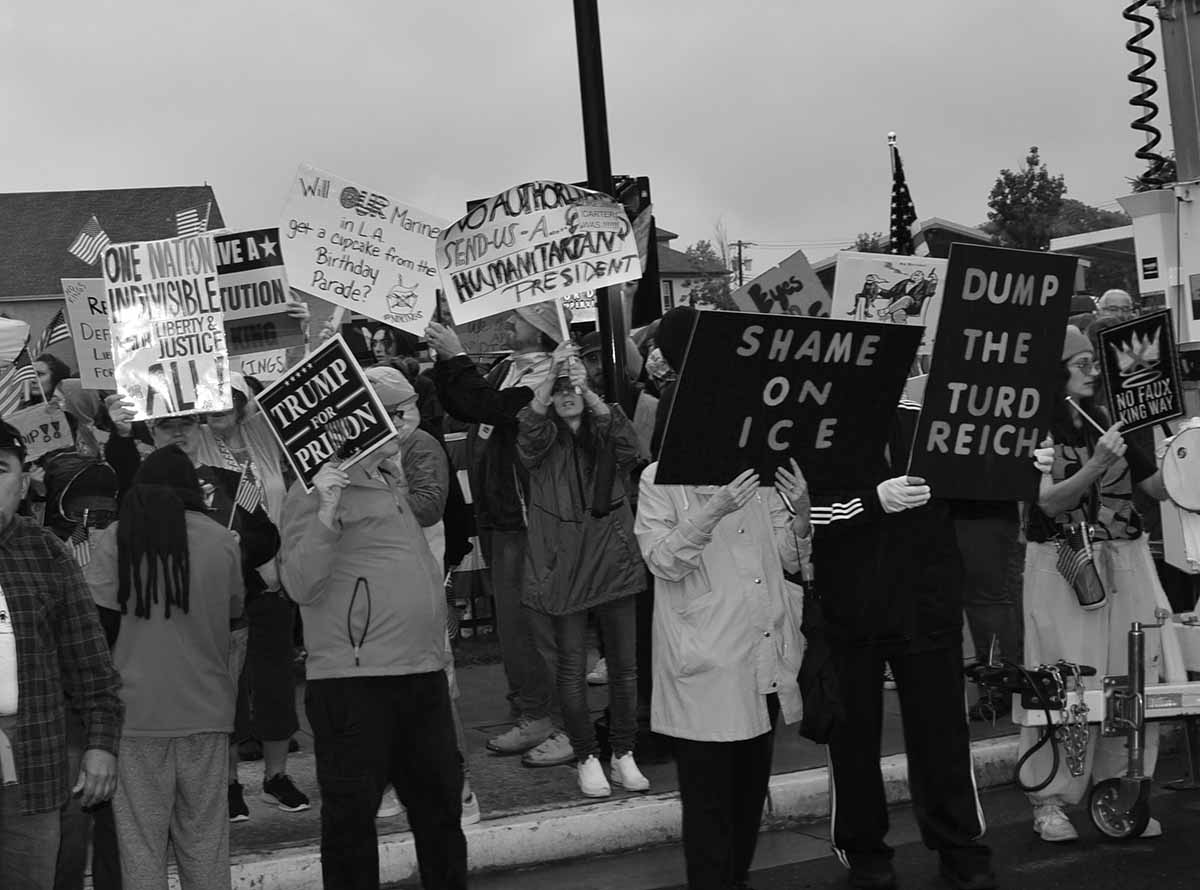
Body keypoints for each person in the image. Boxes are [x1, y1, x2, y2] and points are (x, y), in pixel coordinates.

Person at [280, 369, 467, 889]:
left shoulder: (390, 481)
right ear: (359, 425)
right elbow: (298, 583)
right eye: (389, 416)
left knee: (440, 813)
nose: (401, 426)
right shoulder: (315, 488)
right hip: (355, 683)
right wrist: (326, 509)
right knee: (350, 824)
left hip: (420, 674)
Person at [808, 400, 994, 890]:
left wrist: (1019, 468)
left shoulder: (931, 417)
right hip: (851, 603)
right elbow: (799, 513)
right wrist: (871, 501)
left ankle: (960, 845)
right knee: (853, 737)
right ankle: (864, 847)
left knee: (944, 735)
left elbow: (979, 490)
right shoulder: (817, 422)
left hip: (926, 601)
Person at [1019, 325, 1183, 843]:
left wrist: (1182, 448)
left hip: (1125, 558)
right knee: (1063, 681)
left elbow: (1151, 488)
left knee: (1129, 677)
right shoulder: (1032, 428)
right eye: (1081, 362)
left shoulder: (1108, 419)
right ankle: (1049, 799)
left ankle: (1123, 789)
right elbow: (1048, 503)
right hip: (1062, 563)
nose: (1093, 371)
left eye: (1095, 361)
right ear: (1055, 369)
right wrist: (1096, 463)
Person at [634, 458, 809, 890]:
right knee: (709, 810)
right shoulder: (658, 478)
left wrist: (802, 513)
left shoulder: (757, 473)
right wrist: (714, 509)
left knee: (749, 800)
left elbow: (790, 556)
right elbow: (662, 560)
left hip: (762, 654)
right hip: (705, 668)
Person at [84, 447, 244, 890]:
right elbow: (234, 614)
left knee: (141, 849)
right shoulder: (219, 539)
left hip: (134, 718)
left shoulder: (113, 540)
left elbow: (99, 630)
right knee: (207, 843)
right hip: (207, 714)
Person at [426, 304, 576, 767]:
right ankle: (532, 709)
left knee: (537, 626)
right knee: (513, 625)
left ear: (544, 330)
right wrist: (444, 358)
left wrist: (456, 357)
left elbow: (493, 409)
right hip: (499, 514)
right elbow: (461, 405)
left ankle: (557, 719)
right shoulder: (509, 368)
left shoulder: (557, 377)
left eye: (523, 317)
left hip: (532, 517)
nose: (510, 320)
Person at [0, 419, 123, 889]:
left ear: (24, 478)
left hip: (32, 762)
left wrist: (100, 745)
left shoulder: (46, 551)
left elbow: (90, 662)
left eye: (0, 468)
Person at [518, 359, 647, 798]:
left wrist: (590, 394)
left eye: (573, 385)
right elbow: (529, 433)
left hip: (613, 560)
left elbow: (633, 450)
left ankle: (623, 752)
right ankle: (587, 755)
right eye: (559, 389)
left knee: (625, 669)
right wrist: (545, 386)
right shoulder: (541, 440)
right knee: (572, 670)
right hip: (565, 567)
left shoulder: (606, 430)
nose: (567, 392)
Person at [197, 376, 311, 819]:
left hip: (273, 583)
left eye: (229, 394)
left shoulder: (262, 435)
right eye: (211, 395)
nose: (219, 404)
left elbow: (291, 403)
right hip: (221, 587)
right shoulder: (196, 440)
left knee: (276, 683)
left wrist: (305, 341)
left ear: (245, 402)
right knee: (226, 687)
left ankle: (275, 777)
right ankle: (227, 783)